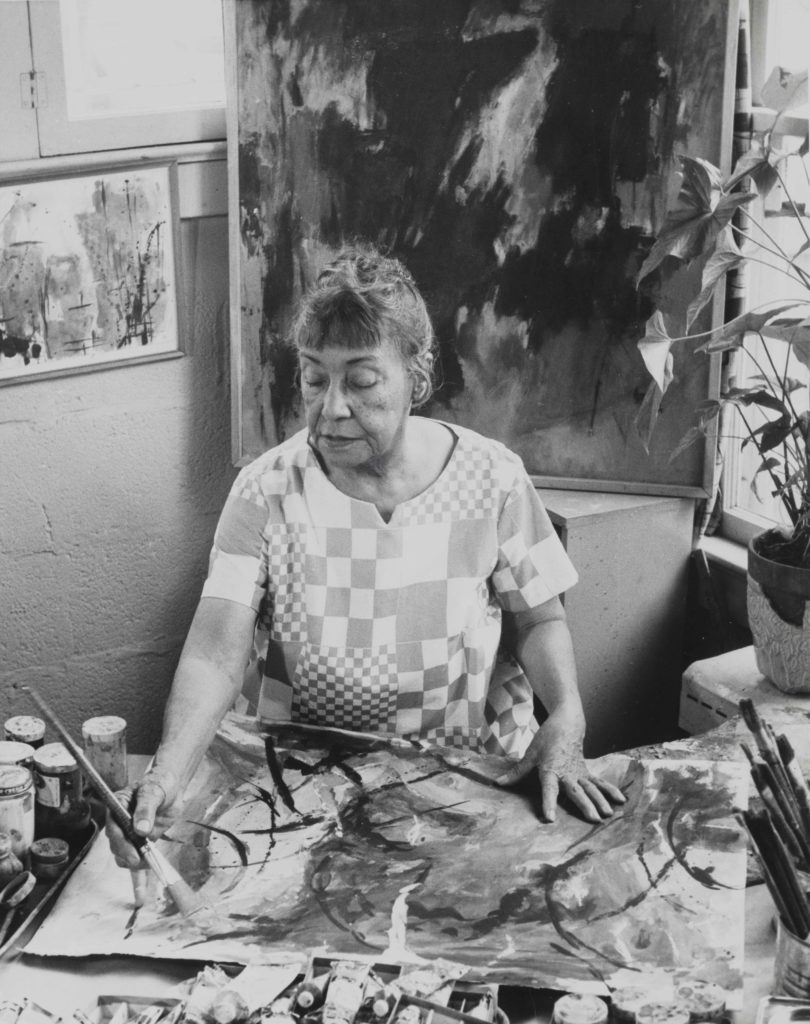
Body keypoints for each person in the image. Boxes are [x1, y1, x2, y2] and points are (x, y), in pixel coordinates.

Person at [109, 244, 624, 869]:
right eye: (314, 376)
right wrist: (166, 775)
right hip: (295, 781)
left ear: (418, 374)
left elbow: (540, 620)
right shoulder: (266, 490)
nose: (332, 407)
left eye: (361, 380)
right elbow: (215, 656)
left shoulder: (495, 479)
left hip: (460, 776)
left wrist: (567, 713)